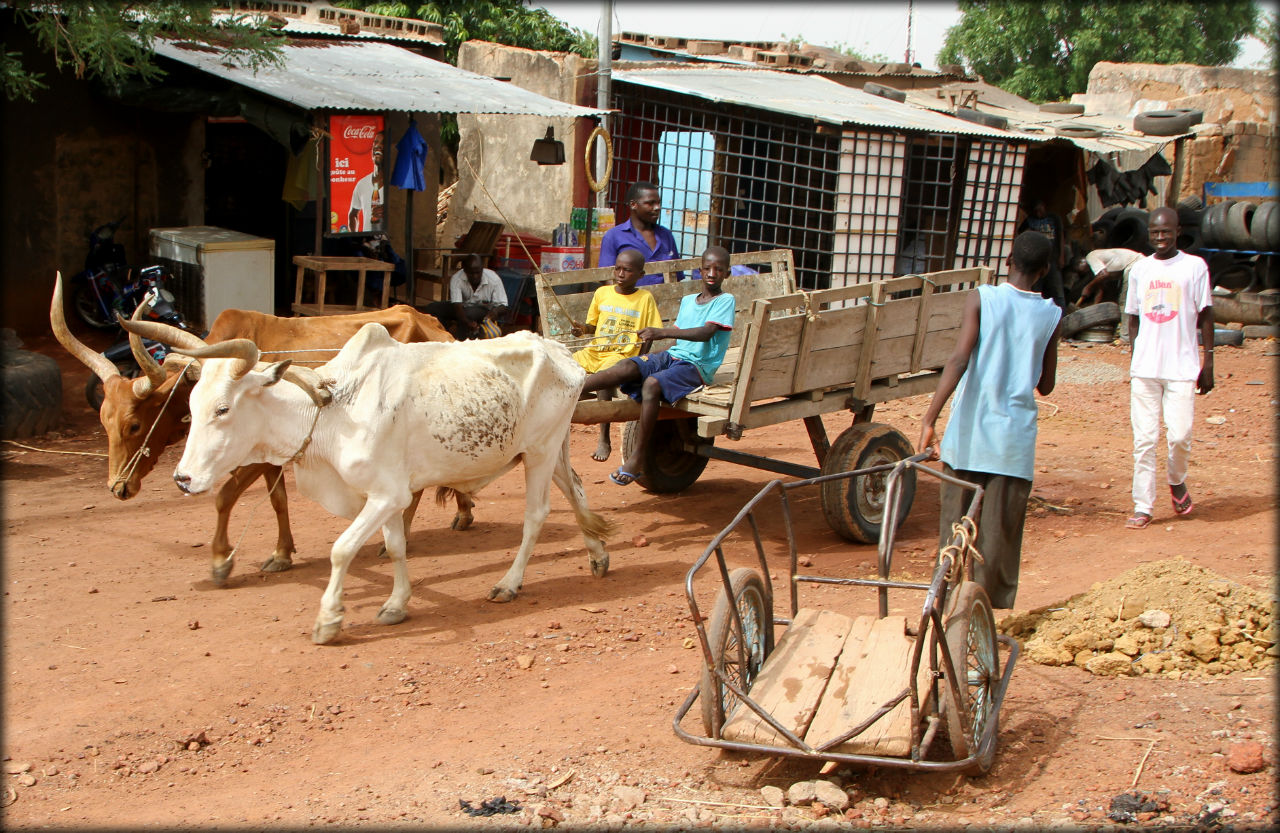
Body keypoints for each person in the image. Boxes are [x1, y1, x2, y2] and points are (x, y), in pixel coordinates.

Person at [918, 231, 1063, 610]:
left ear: (1009, 260)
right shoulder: (1051, 315)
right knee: (997, 540)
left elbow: (959, 360)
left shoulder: (982, 298)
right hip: (1012, 446)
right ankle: (986, 622)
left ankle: (943, 608)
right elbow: (1045, 385)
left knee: (955, 533)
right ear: (1045, 270)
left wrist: (929, 418)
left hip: (968, 438)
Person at [582, 246, 735, 486]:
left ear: (727, 273)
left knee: (652, 384)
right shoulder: (688, 301)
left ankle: (638, 457)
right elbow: (678, 337)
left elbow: (706, 333)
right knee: (626, 366)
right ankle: (572, 389)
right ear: (700, 270)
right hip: (674, 355)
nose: (712, 273)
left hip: (696, 366)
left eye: (718, 269)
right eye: (707, 268)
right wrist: (653, 356)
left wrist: (660, 333)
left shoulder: (725, 300)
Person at [1124, 206, 1214, 530]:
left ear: (1177, 232)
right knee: (1144, 440)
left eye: (1166, 231)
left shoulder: (1194, 267)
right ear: (1149, 234)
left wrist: (1210, 361)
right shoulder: (1139, 270)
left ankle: (1176, 480)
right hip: (1145, 370)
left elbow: (1205, 316)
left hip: (1182, 366)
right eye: (1155, 232)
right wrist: (1136, 355)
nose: (1160, 237)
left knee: (1180, 435)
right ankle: (1143, 506)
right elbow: (1132, 317)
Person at [569, 249, 663, 463]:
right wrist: (581, 329)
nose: (621, 274)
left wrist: (639, 362)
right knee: (566, 367)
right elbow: (592, 326)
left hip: (621, 354)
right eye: (618, 268)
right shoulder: (602, 293)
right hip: (595, 350)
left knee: (605, 375)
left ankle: (603, 437)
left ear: (640, 274)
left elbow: (650, 333)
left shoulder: (645, 298)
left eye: (627, 270)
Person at [598, 181, 682, 286]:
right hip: (628, 301)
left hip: (664, 299)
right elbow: (607, 278)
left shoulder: (666, 235)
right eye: (650, 203)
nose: (657, 208)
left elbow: (677, 276)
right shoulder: (613, 236)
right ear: (633, 205)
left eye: (658, 203)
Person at [423, 253, 508, 340]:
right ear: (465, 270)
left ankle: (462, 341)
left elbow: (504, 306)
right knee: (432, 308)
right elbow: (457, 307)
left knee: (469, 314)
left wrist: (495, 312)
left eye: (478, 273)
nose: (475, 276)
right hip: (462, 308)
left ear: (482, 269)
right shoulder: (457, 279)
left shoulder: (493, 279)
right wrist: (468, 322)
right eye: (471, 273)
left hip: (483, 310)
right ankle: (445, 335)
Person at [1019, 200, 1067, 311]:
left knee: (1057, 291)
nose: (1038, 213)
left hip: (1053, 260)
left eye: (1039, 210)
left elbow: (1061, 237)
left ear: (1044, 207)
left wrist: (1061, 257)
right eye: (1035, 211)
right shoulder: (1029, 220)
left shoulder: (1054, 218)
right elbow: (1021, 233)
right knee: (1036, 291)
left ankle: (1062, 316)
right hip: (1037, 261)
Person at [348, 130, 385, 233]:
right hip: (367, 244)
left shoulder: (395, 184)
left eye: (383, 143)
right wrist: (354, 237)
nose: (378, 146)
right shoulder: (362, 184)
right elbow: (353, 214)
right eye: (376, 142)